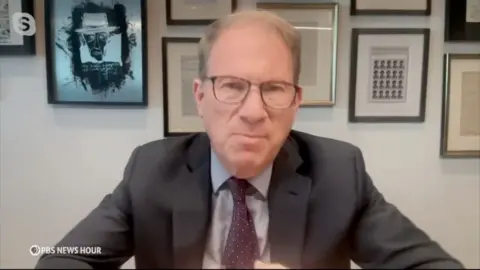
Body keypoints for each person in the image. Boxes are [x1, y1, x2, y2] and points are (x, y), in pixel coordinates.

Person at [35, 10, 465, 269]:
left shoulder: (339, 174)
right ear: (200, 97)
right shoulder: (150, 171)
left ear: (296, 101)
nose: (254, 111)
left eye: (274, 88)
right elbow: (64, 258)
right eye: (232, 86)